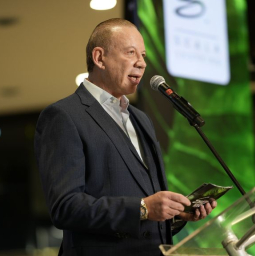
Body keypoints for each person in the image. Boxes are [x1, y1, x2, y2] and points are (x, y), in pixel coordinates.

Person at [34, 18, 217, 255]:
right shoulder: (64, 116)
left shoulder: (141, 119)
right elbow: (65, 207)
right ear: (100, 58)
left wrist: (175, 213)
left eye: (143, 55)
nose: (141, 63)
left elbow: (145, 211)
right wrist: (143, 208)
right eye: (131, 53)